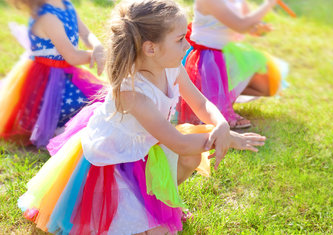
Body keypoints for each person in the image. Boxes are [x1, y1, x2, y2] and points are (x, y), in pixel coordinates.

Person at [18, 1, 266, 234]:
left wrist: (221, 125)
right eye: (180, 38)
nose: (187, 43)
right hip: (116, 159)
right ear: (151, 48)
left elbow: (201, 103)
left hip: (147, 144)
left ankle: (163, 201)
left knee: (193, 153)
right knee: (155, 230)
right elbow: (177, 143)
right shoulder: (133, 92)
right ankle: (146, 210)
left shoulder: (172, 66)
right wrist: (229, 139)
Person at [0, 0, 105, 147]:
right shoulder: (48, 17)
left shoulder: (66, 5)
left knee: (101, 99)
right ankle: (60, 129)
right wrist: (103, 56)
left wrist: (98, 47)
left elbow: (86, 34)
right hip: (48, 83)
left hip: (65, 73)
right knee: (94, 107)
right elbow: (72, 56)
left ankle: (69, 126)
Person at [178, 0, 289, 129]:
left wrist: (258, 28)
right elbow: (240, 25)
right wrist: (269, 4)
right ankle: (220, 105)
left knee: (268, 85)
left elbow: (248, 26)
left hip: (228, 53)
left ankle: (222, 97)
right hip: (207, 58)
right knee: (208, 116)